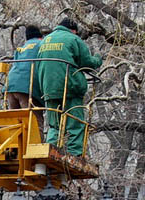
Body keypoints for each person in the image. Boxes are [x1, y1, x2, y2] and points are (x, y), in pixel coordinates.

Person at [37, 17, 102, 156]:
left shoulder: (45, 40)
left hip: (49, 89)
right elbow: (86, 62)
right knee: (75, 124)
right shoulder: (73, 39)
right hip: (69, 87)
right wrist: (98, 59)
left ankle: (51, 150)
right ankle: (75, 154)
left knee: (54, 125)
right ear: (73, 30)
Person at [5, 25, 45, 127]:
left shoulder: (21, 49)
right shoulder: (42, 44)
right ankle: (35, 143)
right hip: (27, 88)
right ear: (40, 36)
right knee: (34, 123)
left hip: (10, 86)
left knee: (15, 124)